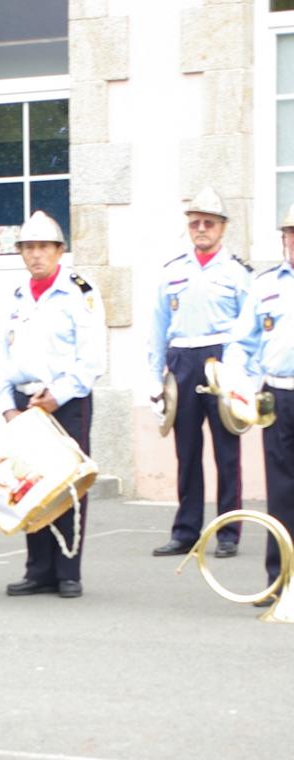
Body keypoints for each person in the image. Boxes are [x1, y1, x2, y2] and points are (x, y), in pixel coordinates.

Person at [0, 211, 106, 599]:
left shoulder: (80, 292)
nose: (36, 255)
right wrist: (6, 406)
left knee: (67, 486)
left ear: (60, 251)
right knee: (29, 484)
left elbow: (92, 358)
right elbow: (0, 355)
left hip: (66, 401)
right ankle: (38, 568)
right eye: (28, 248)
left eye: (43, 247)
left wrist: (57, 395)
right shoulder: (15, 295)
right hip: (24, 402)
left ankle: (68, 569)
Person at [149, 186, 252, 558]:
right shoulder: (172, 271)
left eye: (209, 223)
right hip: (182, 361)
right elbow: (157, 328)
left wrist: (243, 378)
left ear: (222, 228)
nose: (201, 229)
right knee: (187, 450)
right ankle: (186, 530)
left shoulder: (238, 274)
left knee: (227, 451)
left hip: (221, 359)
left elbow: (249, 328)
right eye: (195, 223)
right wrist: (154, 380)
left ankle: (228, 532)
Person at [223, 202, 294, 596]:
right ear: (284, 240)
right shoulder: (265, 286)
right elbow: (241, 342)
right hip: (277, 395)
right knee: (281, 492)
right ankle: (280, 582)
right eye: (292, 234)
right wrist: (238, 383)